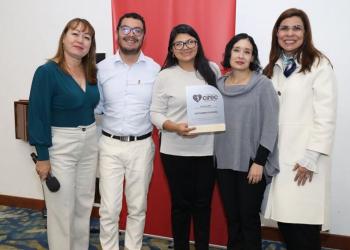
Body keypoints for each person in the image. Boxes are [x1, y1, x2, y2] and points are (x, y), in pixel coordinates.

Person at [263, 8, 337, 250]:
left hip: (304, 161)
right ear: (276, 33)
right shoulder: (272, 66)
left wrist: (311, 157)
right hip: (279, 159)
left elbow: (326, 116)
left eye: (297, 28)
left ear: (306, 33)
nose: (290, 33)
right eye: (284, 28)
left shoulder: (319, 64)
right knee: (286, 223)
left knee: (303, 228)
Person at [28, 18, 99, 250]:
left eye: (86, 37)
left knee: (83, 206)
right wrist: (43, 157)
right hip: (61, 146)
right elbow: (38, 116)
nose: (80, 40)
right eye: (75, 34)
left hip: (89, 143)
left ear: (91, 44)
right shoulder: (47, 72)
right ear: (64, 37)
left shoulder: (91, 72)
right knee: (61, 209)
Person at [150, 24, 221, 250]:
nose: (185, 47)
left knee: (203, 205)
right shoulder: (165, 76)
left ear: (197, 44)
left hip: (207, 150)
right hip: (174, 151)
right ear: (172, 49)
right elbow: (155, 113)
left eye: (190, 42)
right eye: (179, 43)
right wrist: (173, 126)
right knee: (180, 205)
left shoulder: (212, 69)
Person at [95, 12, 160, 250]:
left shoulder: (155, 69)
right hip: (110, 144)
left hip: (141, 146)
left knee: (137, 207)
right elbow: (97, 106)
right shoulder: (101, 69)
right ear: (117, 32)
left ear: (143, 36)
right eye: (126, 29)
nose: (131, 35)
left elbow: (160, 108)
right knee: (109, 209)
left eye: (137, 30)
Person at [214, 33, 279, 250]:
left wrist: (260, 162)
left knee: (249, 220)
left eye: (247, 51)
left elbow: (271, 126)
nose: (241, 55)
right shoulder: (217, 86)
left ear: (253, 57)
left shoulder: (263, 85)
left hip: (251, 164)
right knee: (232, 219)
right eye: (236, 50)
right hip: (223, 163)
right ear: (229, 54)